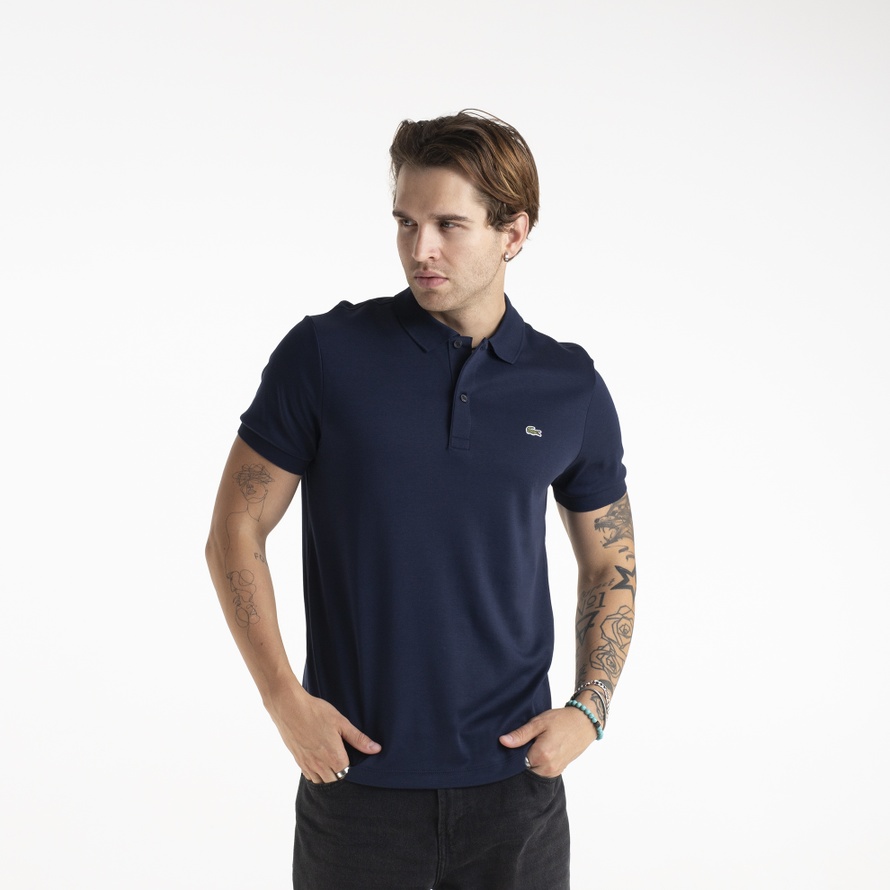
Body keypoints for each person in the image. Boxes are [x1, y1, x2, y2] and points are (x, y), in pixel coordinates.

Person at [205, 109, 636, 890]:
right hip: (355, 784)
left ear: (514, 232)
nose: (419, 249)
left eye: (448, 225)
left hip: (517, 790)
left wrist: (590, 708)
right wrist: (282, 699)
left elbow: (611, 563)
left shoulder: (569, 385)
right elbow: (236, 530)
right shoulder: (325, 355)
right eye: (405, 222)